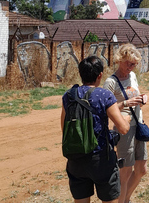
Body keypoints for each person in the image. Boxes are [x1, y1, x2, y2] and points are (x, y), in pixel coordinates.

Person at [61, 56, 131, 203]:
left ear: (80, 74)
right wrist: (127, 119)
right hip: (101, 159)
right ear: (100, 75)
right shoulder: (104, 95)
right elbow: (123, 129)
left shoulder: (69, 96)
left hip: (76, 159)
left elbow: (64, 128)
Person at [104, 44, 148, 203]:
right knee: (125, 172)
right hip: (124, 128)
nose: (132, 67)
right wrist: (125, 104)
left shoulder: (133, 77)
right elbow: (106, 109)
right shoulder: (111, 82)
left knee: (141, 169)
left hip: (139, 125)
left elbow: (135, 94)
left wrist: (141, 99)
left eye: (134, 64)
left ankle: (125, 199)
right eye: (129, 63)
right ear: (120, 60)